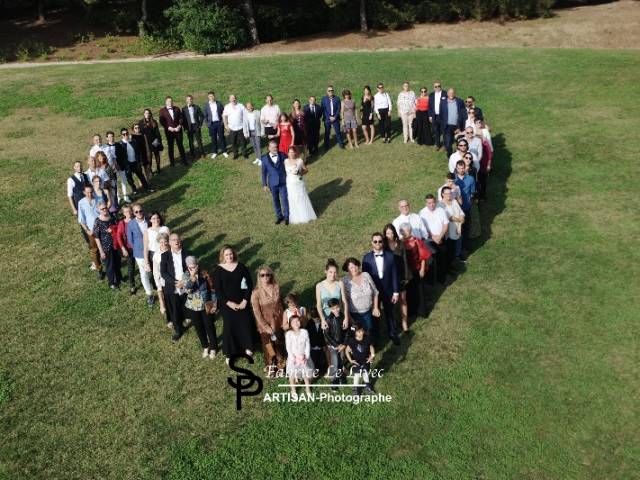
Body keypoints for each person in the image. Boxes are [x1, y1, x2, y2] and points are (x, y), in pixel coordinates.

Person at [212, 245, 254, 365]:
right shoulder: (218, 270)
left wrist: (245, 300)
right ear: (222, 256)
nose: (229, 256)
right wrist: (229, 303)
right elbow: (218, 290)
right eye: (226, 254)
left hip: (242, 302)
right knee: (229, 327)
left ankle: (248, 347)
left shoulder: (241, 267)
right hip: (227, 304)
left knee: (245, 323)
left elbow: (249, 284)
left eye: (230, 254)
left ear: (233, 254)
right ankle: (230, 353)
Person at [362, 232, 401, 342]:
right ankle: (375, 337)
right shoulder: (366, 258)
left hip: (388, 290)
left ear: (382, 242)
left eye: (380, 241)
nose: (378, 243)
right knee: (375, 315)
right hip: (374, 293)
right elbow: (365, 278)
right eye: (375, 241)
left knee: (390, 312)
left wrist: (396, 292)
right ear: (372, 243)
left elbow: (394, 275)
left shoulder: (390, 256)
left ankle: (393, 333)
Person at [251, 265, 285, 376]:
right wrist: (266, 327)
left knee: (279, 345)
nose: (265, 277)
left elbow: (280, 305)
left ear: (271, 276)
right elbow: (257, 313)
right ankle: (271, 367)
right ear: (259, 277)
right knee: (269, 347)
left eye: (268, 275)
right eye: (262, 275)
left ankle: (281, 366)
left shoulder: (276, 287)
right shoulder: (255, 293)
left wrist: (284, 321)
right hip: (265, 326)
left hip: (278, 323)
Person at [183, 256, 218, 359]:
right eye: (190, 267)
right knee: (199, 328)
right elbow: (187, 290)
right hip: (193, 307)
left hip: (206, 305)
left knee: (209, 326)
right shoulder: (185, 276)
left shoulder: (204, 274)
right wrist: (192, 278)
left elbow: (212, 289)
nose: (193, 269)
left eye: (194, 266)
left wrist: (214, 303)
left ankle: (213, 347)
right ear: (187, 267)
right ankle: (205, 346)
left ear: (197, 265)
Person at [161, 233, 190, 342]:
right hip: (172, 287)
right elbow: (163, 273)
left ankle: (194, 322)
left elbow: (192, 268)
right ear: (169, 242)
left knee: (187, 306)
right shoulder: (165, 256)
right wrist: (175, 282)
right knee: (174, 309)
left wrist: (184, 281)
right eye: (173, 240)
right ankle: (178, 329)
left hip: (186, 285)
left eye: (178, 239)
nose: (176, 241)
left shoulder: (187, 253)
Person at [399, 223, 432, 318]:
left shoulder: (417, 241)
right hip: (406, 273)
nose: (405, 232)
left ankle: (421, 311)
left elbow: (423, 256)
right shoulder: (400, 243)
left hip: (417, 270)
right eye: (403, 231)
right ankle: (411, 312)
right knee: (409, 292)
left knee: (419, 291)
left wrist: (422, 269)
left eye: (407, 230)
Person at [382, 224, 410, 332]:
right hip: (389, 279)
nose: (390, 235)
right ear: (385, 234)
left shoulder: (401, 244)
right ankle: (392, 324)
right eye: (388, 233)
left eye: (392, 232)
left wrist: (406, 276)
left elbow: (405, 261)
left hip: (400, 277)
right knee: (392, 302)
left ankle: (404, 322)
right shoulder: (383, 247)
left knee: (403, 300)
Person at [126, 203, 155, 306]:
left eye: (140, 211)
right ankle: (149, 294)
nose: (139, 213)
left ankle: (157, 286)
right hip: (139, 253)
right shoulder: (130, 224)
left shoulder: (149, 220)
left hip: (152, 250)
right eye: (136, 212)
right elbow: (130, 240)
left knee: (154, 270)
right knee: (143, 273)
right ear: (133, 213)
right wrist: (139, 248)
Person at [342, 257, 380, 335]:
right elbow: (344, 302)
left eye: (355, 266)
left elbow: (375, 292)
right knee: (355, 333)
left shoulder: (366, 275)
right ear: (347, 269)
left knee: (368, 331)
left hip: (368, 312)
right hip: (354, 315)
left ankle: (371, 345)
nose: (354, 269)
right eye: (351, 267)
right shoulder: (344, 281)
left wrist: (375, 308)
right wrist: (349, 317)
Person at [419, 194, 450, 284]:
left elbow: (445, 224)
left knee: (442, 258)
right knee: (432, 260)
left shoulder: (441, 210)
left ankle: (442, 278)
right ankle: (431, 280)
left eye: (433, 202)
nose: (431, 205)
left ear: (435, 202)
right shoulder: (422, 213)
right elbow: (424, 228)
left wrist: (440, 236)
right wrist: (433, 237)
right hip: (429, 240)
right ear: (426, 203)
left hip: (441, 237)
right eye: (429, 203)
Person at [284, 146, 316, 225]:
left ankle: (304, 216)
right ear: (288, 153)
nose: (291, 154)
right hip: (289, 183)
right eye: (289, 152)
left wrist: (299, 173)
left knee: (301, 198)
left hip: (298, 182)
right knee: (292, 198)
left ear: (295, 153)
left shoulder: (299, 161)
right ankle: (295, 216)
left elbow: (306, 170)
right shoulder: (285, 161)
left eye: (292, 152)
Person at [116, 127, 152, 195]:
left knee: (141, 176)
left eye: (127, 133)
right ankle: (134, 189)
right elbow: (120, 157)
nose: (126, 135)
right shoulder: (120, 145)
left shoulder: (133, 141)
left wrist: (140, 161)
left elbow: (138, 152)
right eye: (124, 134)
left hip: (136, 162)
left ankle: (147, 188)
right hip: (128, 164)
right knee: (129, 178)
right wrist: (124, 165)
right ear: (121, 135)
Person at [93, 201, 121, 290]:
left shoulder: (112, 217)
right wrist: (101, 251)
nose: (105, 210)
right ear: (98, 210)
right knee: (110, 265)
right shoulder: (97, 221)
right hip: (106, 247)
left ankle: (119, 278)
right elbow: (97, 237)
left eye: (105, 208)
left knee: (117, 262)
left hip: (116, 244)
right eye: (102, 209)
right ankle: (111, 282)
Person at [261, 140, 289, 225]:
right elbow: (263, 172)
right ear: (269, 148)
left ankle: (287, 216)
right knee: (275, 200)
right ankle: (279, 216)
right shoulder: (264, 158)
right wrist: (264, 184)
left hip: (283, 181)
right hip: (273, 183)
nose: (275, 149)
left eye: (276, 147)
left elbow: (289, 164)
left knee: (284, 199)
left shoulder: (283, 155)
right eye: (273, 147)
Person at [285, 315, 314, 398]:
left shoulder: (304, 332)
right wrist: (293, 357)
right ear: (290, 324)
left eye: (297, 321)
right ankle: (293, 390)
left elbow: (307, 345)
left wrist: (306, 355)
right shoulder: (289, 334)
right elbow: (288, 347)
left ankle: (307, 388)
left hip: (303, 357)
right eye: (293, 322)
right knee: (292, 374)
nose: (296, 323)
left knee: (305, 373)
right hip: (293, 358)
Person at [77, 184, 103, 279]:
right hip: (92, 230)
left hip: (102, 228)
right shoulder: (81, 203)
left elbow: (104, 211)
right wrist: (87, 230)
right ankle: (99, 269)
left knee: (106, 248)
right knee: (95, 250)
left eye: (91, 192)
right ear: (84, 192)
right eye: (87, 192)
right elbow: (81, 219)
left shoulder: (98, 199)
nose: (89, 194)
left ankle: (110, 266)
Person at [315, 258, 350, 328]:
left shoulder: (340, 284)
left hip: (339, 316)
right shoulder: (319, 286)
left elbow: (344, 302)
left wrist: (346, 317)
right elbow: (319, 305)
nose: (333, 275)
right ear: (326, 271)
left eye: (335, 272)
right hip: (327, 318)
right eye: (330, 272)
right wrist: (322, 319)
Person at [143, 211, 170, 292]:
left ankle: (168, 287)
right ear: (150, 220)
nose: (156, 220)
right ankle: (159, 289)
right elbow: (145, 248)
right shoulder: (147, 231)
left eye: (157, 218)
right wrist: (147, 262)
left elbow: (170, 242)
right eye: (153, 218)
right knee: (157, 274)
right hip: (153, 255)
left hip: (166, 252)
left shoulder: (165, 229)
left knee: (167, 271)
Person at [345, 325, 375, 395]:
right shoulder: (352, 341)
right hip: (356, 361)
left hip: (365, 360)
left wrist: (372, 355)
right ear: (355, 333)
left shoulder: (367, 338)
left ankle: (367, 385)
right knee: (357, 374)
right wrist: (350, 360)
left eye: (362, 330)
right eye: (359, 331)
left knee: (365, 373)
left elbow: (371, 347)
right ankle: (355, 388)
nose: (361, 332)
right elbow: (346, 351)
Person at [323, 298, 346, 389]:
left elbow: (347, 331)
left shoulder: (343, 317)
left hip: (342, 344)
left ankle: (341, 376)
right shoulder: (328, 319)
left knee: (341, 361)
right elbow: (327, 334)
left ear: (339, 306)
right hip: (333, 345)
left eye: (337, 307)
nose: (336, 310)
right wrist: (336, 345)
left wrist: (344, 344)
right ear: (330, 309)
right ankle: (334, 379)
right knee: (334, 362)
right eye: (333, 308)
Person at [454, 160, 476, 254]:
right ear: (456, 169)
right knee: (457, 229)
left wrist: (470, 200)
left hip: (466, 207)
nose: (461, 170)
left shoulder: (470, 179)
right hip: (456, 209)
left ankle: (465, 245)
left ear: (465, 168)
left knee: (466, 227)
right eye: (459, 168)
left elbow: (472, 192)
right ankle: (457, 248)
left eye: (462, 168)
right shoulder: (453, 180)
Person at [158, 96, 187, 166]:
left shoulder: (177, 109)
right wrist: (168, 127)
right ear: (166, 102)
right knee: (170, 147)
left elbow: (181, 118)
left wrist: (179, 126)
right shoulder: (162, 111)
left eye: (171, 101)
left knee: (180, 145)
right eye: (168, 101)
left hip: (178, 131)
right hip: (169, 132)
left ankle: (184, 160)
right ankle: (172, 162)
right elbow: (162, 121)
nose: (170, 103)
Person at [439, 186, 465, 264]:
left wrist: (460, 225)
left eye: (450, 193)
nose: (449, 195)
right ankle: (451, 260)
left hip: (459, 227)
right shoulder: (440, 205)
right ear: (442, 194)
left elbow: (461, 213)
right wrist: (460, 220)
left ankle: (458, 255)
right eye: (447, 194)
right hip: (449, 230)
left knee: (459, 242)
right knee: (451, 246)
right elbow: (449, 218)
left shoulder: (454, 201)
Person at [114, 204, 136, 295]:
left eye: (129, 211)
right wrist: (123, 248)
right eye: (126, 211)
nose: (128, 213)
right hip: (129, 249)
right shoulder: (122, 223)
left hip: (138, 248)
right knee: (131, 268)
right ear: (123, 213)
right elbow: (118, 237)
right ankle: (132, 286)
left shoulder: (136, 220)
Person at [67, 160, 90, 243]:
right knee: (83, 223)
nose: (79, 167)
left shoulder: (86, 176)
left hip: (88, 202)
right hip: (79, 205)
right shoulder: (71, 179)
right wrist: (74, 209)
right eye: (77, 166)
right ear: (74, 168)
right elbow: (70, 196)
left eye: (80, 166)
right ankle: (89, 241)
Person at [104, 131, 129, 203]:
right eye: (109, 137)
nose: (111, 138)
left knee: (123, 181)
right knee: (115, 183)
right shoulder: (105, 147)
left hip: (121, 166)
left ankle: (125, 196)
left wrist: (123, 165)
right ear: (107, 138)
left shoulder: (119, 145)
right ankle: (117, 197)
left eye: (112, 136)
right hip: (112, 168)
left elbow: (124, 155)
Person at [440, 88, 465, 157]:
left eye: (452, 93)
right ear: (447, 94)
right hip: (447, 126)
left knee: (459, 143)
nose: (451, 94)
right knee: (448, 143)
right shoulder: (443, 102)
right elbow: (441, 114)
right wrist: (442, 124)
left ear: (455, 94)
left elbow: (463, 114)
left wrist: (460, 127)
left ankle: (460, 156)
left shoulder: (460, 101)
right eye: (449, 93)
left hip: (457, 125)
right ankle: (450, 157)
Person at [203, 91, 228, 159]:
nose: (212, 97)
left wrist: (223, 122)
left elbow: (224, 113)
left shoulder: (219, 103)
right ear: (208, 97)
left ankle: (224, 151)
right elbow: (205, 116)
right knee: (213, 139)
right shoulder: (206, 105)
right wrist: (208, 124)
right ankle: (215, 152)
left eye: (213, 96)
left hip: (219, 123)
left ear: (214, 96)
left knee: (222, 137)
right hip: (211, 124)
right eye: (210, 96)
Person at [223, 94, 248, 160]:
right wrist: (225, 125)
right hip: (232, 128)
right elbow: (224, 116)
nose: (233, 99)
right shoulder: (227, 107)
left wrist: (246, 125)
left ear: (236, 99)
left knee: (243, 142)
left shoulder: (241, 105)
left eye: (234, 98)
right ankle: (235, 154)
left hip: (241, 127)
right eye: (232, 98)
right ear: (229, 99)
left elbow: (245, 114)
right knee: (233, 142)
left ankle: (244, 153)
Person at [139, 109, 163, 174]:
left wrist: (158, 140)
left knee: (157, 155)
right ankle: (150, 170)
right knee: (149, 157)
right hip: (146, 143)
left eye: (148, 113)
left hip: (154, 141)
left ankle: (158, 167)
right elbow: (140, 133)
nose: (147, 114)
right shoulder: (141, 123)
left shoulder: (153, 121)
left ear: (150, 114)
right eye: (146, 113)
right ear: (144, 114)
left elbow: (157, 132)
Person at [152, 233, 170, 320]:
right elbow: (155, 272)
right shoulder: (156, 255)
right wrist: (158, 285)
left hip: (174, 278)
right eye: (161, 242)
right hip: (163, 280)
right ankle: (169, 319)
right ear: (158, 243)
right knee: (165, 299)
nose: (163, 244)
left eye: (165, 242)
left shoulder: (172, 251)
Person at [182, 94, 205, 160]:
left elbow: (202, 116)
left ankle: (202, 153)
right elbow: (183, 120)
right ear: (186, 100)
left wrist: (200, 124)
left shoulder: (196, 107)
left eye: (191, 99)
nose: (190, 100)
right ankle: (192, 154)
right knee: (190, 141)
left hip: (196, 126)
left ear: (192, 100)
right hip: (189, 127)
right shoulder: (184, 109)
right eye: (188, 99)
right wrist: (185, 128)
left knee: (199, 140)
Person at [321, 85, 344, 150]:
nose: (330, 91)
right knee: (327, 133)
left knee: (338, 132)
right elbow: (323, 109)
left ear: (333, 91)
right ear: (327, 91)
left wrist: (335, 116)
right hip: (327, 119)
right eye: (329, 90)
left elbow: (338, 109)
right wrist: (329, 117)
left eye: (332, 90)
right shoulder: (324, 99)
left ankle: (341, 144)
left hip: (335, 118)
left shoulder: (337, 98)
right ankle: (326, 146)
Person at [305, 307, 327, 376]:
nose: (316, 320)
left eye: (318, 318)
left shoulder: (323, 324)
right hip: (312, 347)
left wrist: (324, 346)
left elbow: (323, 336)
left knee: (322, 361)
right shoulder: (309, 324)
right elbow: (308, 336)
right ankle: (314, 371)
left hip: (321, 347)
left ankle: (322, 370)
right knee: (313, 361)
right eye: (314, 319)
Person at [476, 118, 493, 201]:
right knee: (476, 181)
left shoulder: (485, 143)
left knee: (483, 181)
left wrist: (489, 164)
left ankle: (483, 195)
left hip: (483, 164)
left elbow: (489, 153)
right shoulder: (473, 142)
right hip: (475, 165)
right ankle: (477, 196)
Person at [428, 81, 446, 151]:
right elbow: (429, 106)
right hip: (434, 116)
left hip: (443, 116)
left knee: (444, 131)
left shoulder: (445, 93)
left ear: (441, 86)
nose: (437, 88)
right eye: (436, 86)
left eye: (439, 86)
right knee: (436, 131)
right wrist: (430, 116)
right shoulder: (431, 95)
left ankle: (445, 145)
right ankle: (437, 144)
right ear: (434, 87)